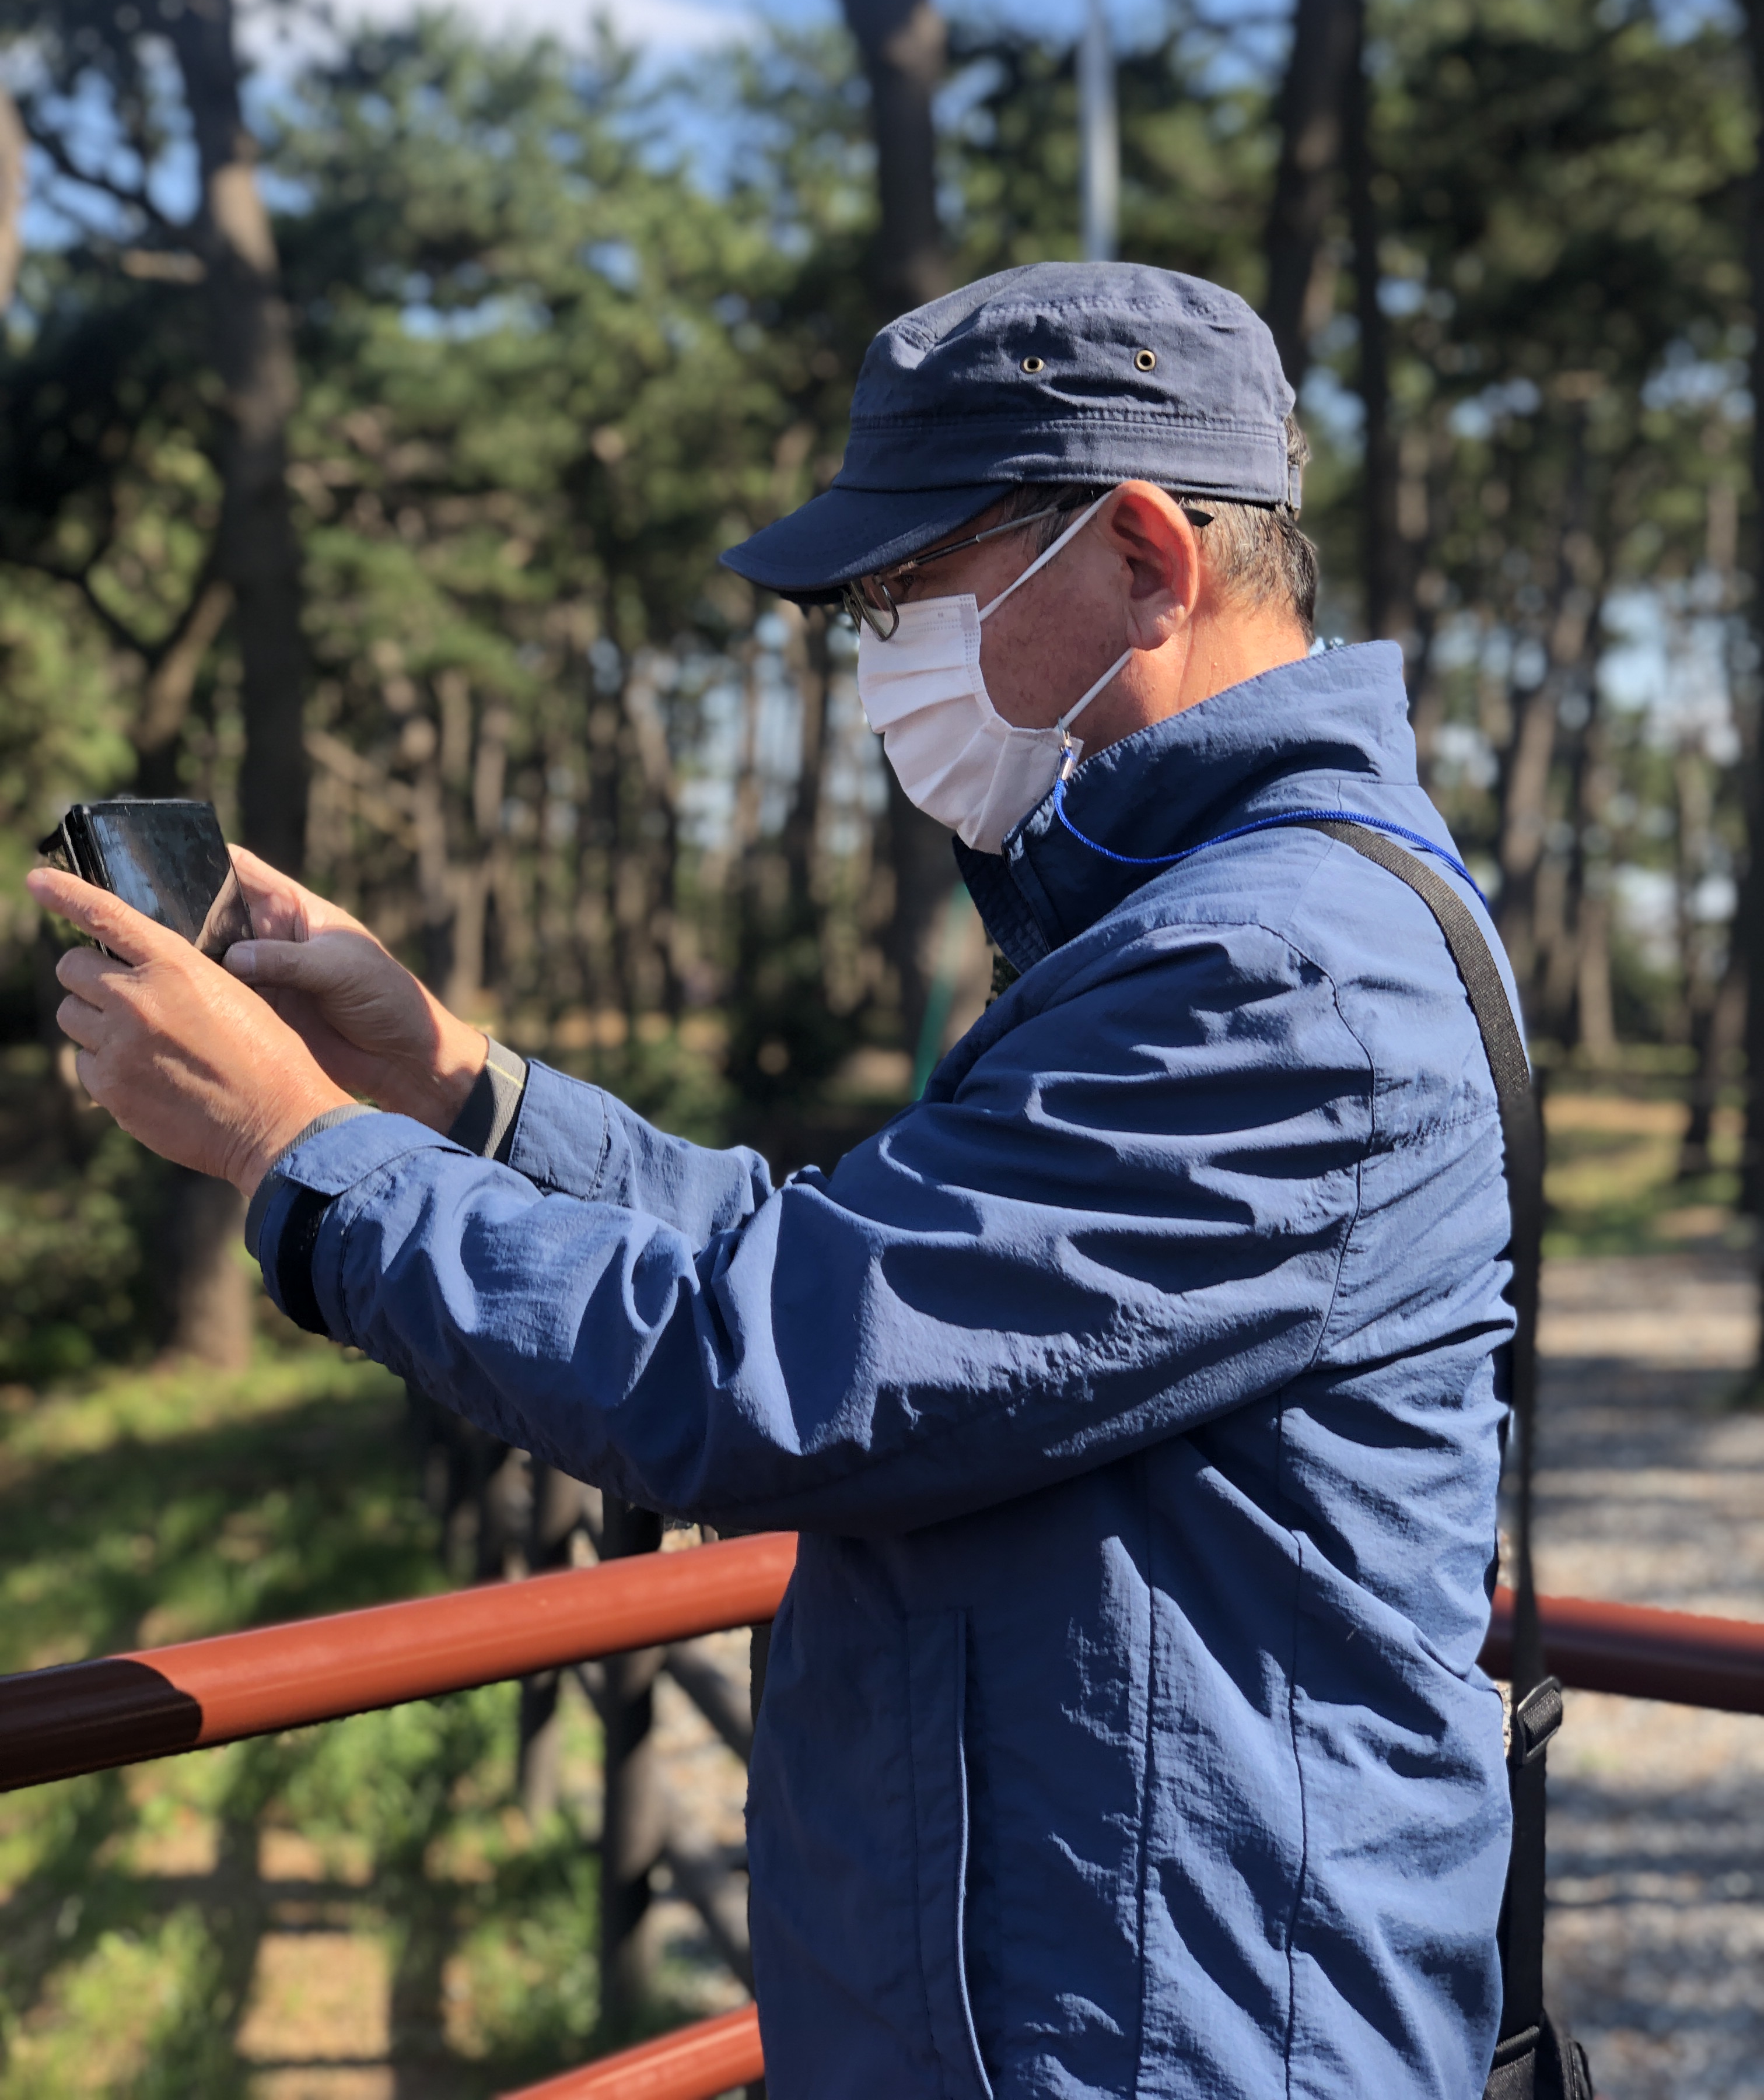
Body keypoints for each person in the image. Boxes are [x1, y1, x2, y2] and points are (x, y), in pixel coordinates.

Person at [30, 262, 1520, 2100]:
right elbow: (866, 1280)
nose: (880, 658)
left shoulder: (1271, 972)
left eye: (909, 593)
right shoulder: (1208, 924)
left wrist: (297, 1151)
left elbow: (772, 1374)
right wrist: (453, 1085)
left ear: (1145, 559)